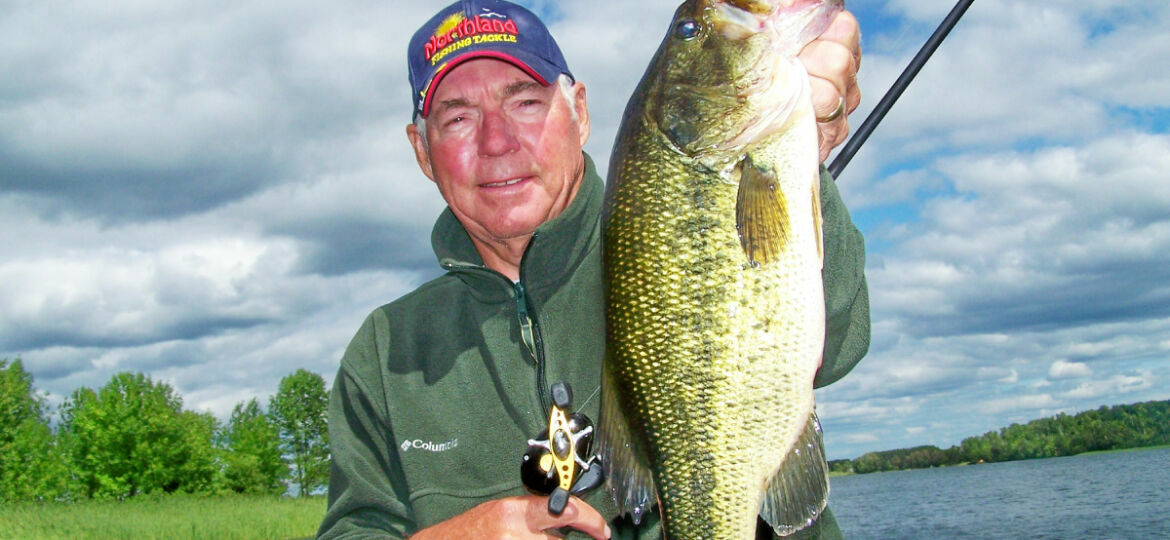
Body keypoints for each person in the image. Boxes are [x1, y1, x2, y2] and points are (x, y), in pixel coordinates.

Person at [316, 1, 868, 538]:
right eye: (458, 118)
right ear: (422, 150)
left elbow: (838, 332)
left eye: (525, 102)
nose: (497, 142)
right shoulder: (385, 352)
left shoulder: (673, 233)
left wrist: (804, 156)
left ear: (578, 111)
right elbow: (354, 527)